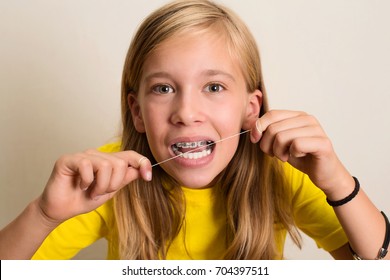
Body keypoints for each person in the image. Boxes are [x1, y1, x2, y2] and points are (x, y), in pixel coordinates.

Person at [0, 0, 388, 260]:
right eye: (164, 88)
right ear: (137, 112)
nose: (186, 113)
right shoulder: (108, 181)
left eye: (214, 87)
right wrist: (43, 214)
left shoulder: (283, 174)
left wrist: (338, 182)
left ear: (249, 110)